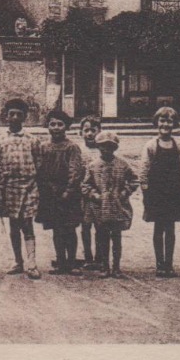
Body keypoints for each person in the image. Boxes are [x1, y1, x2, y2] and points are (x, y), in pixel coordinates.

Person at [0, 97, 44, 279]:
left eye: (19, 115)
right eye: (11, 114)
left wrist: (33, 183)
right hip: (9, 189)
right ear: (6, 116)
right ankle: (18, 261)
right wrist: (0, 188)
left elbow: (38, 163)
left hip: (29, 187)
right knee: (14, 226)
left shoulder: (33, 140)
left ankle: (32, 263)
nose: (14, 118)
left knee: (27, 225)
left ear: (24, 118)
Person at [140, 106, 180, 277]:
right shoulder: (151, 145)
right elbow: (144, 169)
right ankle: (159, 263)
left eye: (169, 121)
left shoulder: (179, 146)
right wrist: (145, 188)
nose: (166, 124)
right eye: (162, 120)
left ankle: (169, 263)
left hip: (174, 192)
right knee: (158, 227)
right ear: (156, 122)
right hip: (156, 191)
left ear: (174, 123)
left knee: (170, 228)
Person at [35, 108, 86, 275]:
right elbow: (39, 169)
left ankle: (71, 262)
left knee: (70, 228)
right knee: (57, 229)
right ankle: (61, 262)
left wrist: (69, 190)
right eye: (52, 124)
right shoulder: (43, 147)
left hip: (68, 194)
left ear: (67, 127)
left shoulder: (72, 148)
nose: (56, 127)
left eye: (60, 124)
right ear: (47, 127)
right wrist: (44, 189)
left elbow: (75, 171)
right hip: (51, 194)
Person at [83, 131, 137, 278]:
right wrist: (95, 196)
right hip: (100, 208)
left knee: (117, 238)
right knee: (102, 237)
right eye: (102, 147)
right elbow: (85, 185)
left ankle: (116, 267)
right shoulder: (93, 166)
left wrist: (125, 193)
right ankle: (104, 266)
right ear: (98, 147)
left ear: (115, 148)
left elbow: (134, 180)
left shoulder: (122, 164)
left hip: (117, 207)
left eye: (110, 147)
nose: (106, 150)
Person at [77, 114, 104, 270]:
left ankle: (99, 257)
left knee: (101, 226)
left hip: (100, 195)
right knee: (85, 225)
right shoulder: (79, 150)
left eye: (93, 130)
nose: (89, 134)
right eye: (86, 130)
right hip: (84, 194)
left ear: (99, 131)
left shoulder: (104, 149)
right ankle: (88, 256)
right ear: (81, 132)